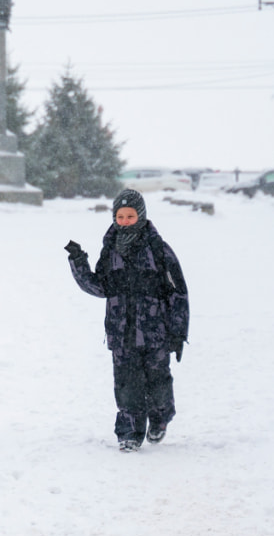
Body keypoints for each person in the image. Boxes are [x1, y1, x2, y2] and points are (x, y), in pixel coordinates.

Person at [65, 189, 189, 452]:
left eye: (130, 216)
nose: (124, 221)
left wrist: (178, 332)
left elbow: (178, 292)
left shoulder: (158, 249)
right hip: (121, 333)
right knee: (126, 384)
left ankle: (159, 420)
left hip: (155, 332)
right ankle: (130, 432)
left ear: (141, 216)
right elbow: (101, 288)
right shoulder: (110, 249)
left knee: (157, 381)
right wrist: (78, 262)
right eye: (120, 216)